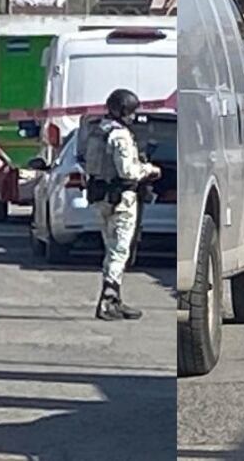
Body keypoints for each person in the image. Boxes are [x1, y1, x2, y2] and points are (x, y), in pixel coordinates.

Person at [82, 88, 161, 321]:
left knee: (111, 249)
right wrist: (149, 170)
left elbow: (88, 164)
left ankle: (115, 297)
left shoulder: (98, 131)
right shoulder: (120, 136)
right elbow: (128, 171)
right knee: (120, 251)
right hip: (121, 199)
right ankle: (108, 299)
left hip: (101, 198)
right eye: (131, 111)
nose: (133, 117)